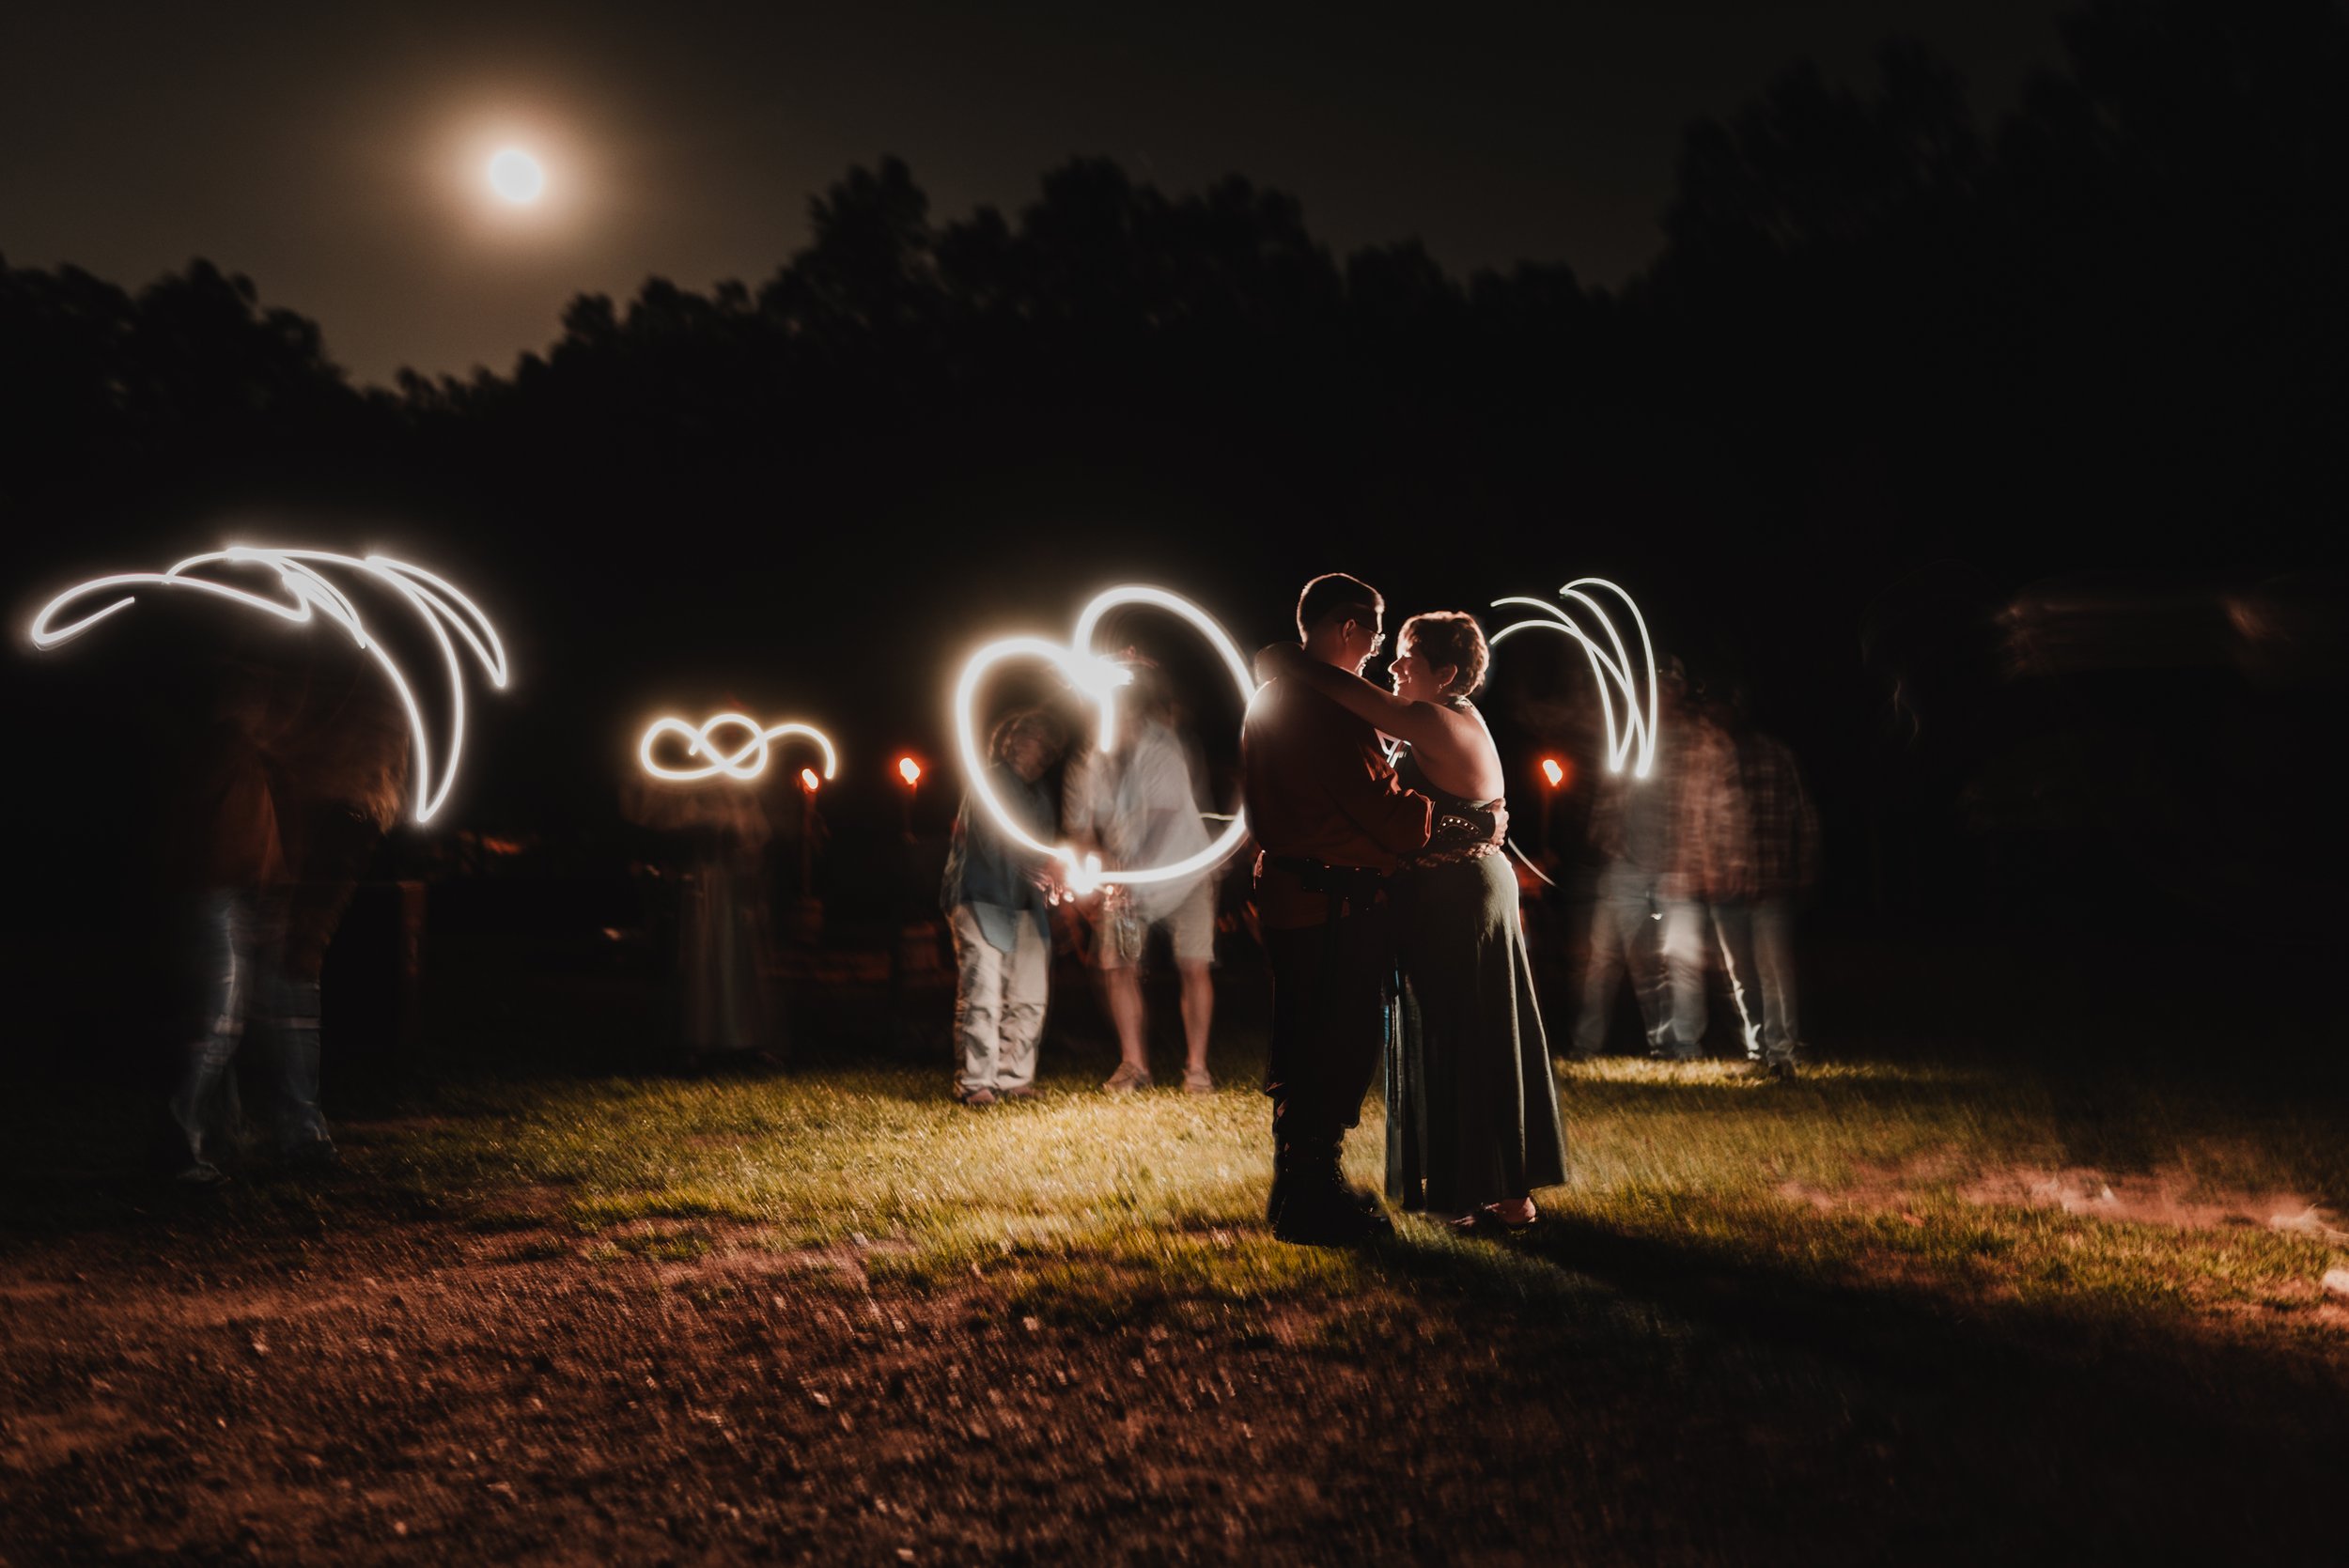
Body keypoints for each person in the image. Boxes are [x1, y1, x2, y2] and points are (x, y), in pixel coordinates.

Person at [1259, 612, 1567, 1234]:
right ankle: (1497, 1194)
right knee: (1468, 1033)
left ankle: (1508, 1199)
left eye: (1407, 657)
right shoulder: (1450, 717)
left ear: (1447, 673)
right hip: (1458, 893)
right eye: (1395, 652)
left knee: (1471, 1035)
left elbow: (1350, 694)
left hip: (1460, 899)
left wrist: (1290, 660)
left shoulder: (1432, 718)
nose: (1393, 666)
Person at [1064, 660, 1219, 1094]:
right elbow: (1080, 829)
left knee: (1193, 964)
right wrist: (1085, 873)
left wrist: (1124, 872)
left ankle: (1197, 1069)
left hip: (1184, 870)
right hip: (1128, 885)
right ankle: (1134, 1066)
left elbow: (1163, 817)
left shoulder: (1161, 747)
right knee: (1118, 966)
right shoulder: (1088, 763)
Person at [940, 709, 1067, 1107]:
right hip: (981, 895)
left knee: (1030, 991)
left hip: (1025, 904)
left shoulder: (1041, 794)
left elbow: (1040, 846)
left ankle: (1014, 1077)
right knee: (984, 988)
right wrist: (1039, 863)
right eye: (1036, 739)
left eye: (1051, 746)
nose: (1045, 750)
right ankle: (977, 1081)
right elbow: (995, 838)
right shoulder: (990, 780)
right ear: (1011, 741)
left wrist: (1051, 872)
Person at [1710, 695, 1820, 1078]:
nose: (1715, 712)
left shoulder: (1775, 755)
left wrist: (1803, 868)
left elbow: (1802, 813)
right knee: (1742, 973)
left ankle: (1782, 1052)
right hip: (1727, 886)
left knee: (1772, 970)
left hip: (1770, 882)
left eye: (1723, 705)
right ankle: (1761, 1050)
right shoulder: (1714, 758)